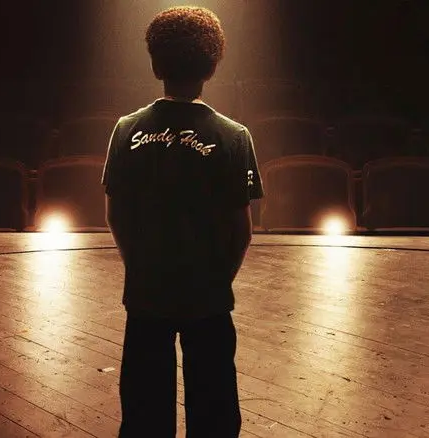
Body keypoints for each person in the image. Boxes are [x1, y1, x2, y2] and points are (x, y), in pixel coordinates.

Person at [101, 6, 263, 437]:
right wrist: (218, 279)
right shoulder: (234, 136)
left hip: (146, 291)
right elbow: (242, 232)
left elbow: (115, 215)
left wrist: (139, 267)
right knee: (214, 411)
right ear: (212, 66)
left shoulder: (126, 130)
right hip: (208, 296)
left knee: (144, 413)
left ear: (156, 65)